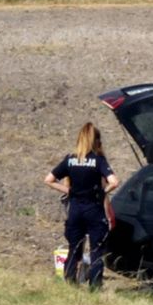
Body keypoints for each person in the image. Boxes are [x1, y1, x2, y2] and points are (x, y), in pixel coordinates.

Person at [44, 122, 119, 288]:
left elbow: (48, 180)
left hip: (75, 210)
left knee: (74, 248)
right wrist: (102, 192)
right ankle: (95, 286)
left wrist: (69, 191)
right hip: (94, 209)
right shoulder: (98, 160)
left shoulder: (70, 159)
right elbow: (114, 182)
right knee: (96, 250)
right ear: (96, 141)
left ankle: (70, 283)